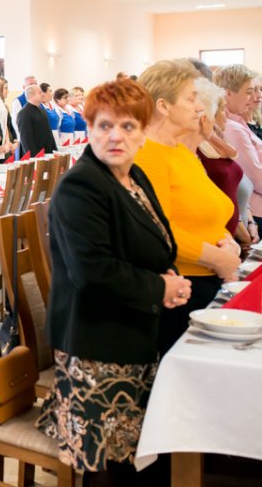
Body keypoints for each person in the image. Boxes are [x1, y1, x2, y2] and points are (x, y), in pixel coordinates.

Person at [37, 79, 190, 487]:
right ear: (89, 129)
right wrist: (160, 288)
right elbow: (94, 272)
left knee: (132, 460)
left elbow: (153, 243)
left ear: (143, 133)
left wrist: (167, 275)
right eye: (104, 125)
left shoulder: (132, 176)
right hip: (96, 347)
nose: (115, 136)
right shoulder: (81, 185)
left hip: (131, 332)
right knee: (107, 467)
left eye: (127, 126)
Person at [134, 61, 238, 354]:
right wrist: (219, 258)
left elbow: (209, 210)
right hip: (180, 290)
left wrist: (227, 243)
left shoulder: (179, 150)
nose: (199, 108)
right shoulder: (147, 155)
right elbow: (158, 233)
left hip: (205, 278)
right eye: (191, 99)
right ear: (164, 106)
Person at [189, 78, 252, 246]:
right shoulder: (196, 149)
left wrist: (250, 222)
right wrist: (243, 235)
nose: (227, 115)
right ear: (209, 115)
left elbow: (237, 189)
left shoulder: (219, 141)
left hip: (233, 238)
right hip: (220, 241)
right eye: (223, 109)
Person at [217, 65, 262, 226]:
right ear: (228, 94)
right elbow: (257, 177)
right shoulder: (232, 128)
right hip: (256, 211)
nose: (254, 97)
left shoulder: (238, 122)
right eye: (249, 92)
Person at [16, 84, 57, 157]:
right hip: (35, 155)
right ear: (31, 95)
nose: (42, 94)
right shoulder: (24, 113)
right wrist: (34, 157)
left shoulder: (42, 111)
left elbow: (49, 133)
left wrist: (54, 150)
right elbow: (26, 139)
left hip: (47, 153)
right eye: (40, 92)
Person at [0, 75, 18, 161]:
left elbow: (6, 125)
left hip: (6, 142)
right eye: (6, 88)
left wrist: (9, 142)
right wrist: (1, 145)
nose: (8, 91)